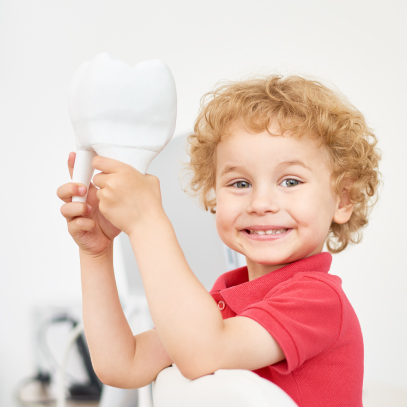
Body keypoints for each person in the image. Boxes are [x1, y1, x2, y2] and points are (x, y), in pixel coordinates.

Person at [57, 74, 381, 407]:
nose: (260, 204)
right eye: (240, 184)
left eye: (291, 181)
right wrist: (96, 253)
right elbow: (123, 364)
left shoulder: (318, 301)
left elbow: (204, 352)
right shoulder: (222, 305)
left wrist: (146, 222)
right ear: (214, 195)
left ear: (342, 200)